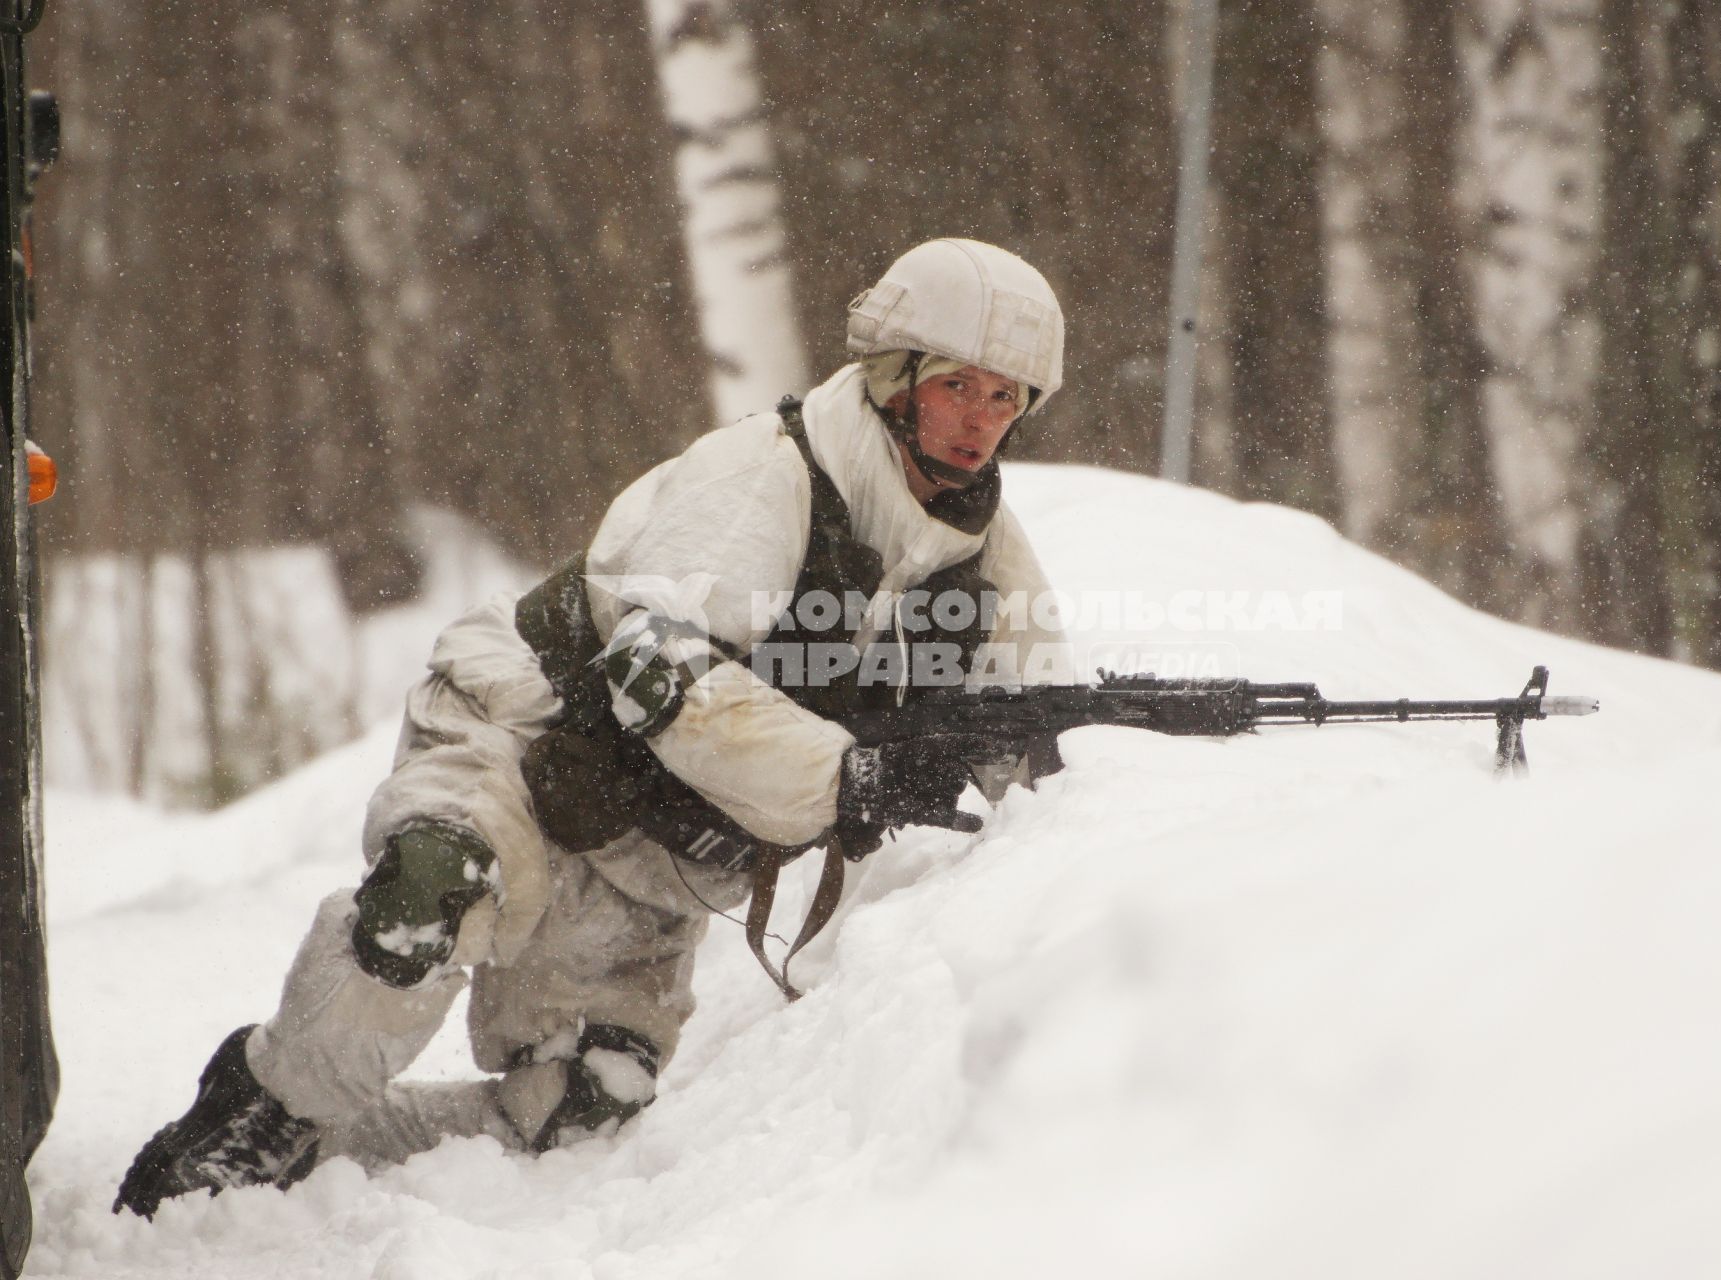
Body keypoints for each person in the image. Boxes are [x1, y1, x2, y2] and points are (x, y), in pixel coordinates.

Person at [114, 238, 1072, 1218]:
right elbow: (662, 676)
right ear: (894, 378)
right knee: (424, 900)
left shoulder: (983, 560)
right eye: (960, 385)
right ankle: (267, 1105)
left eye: (1006, 398)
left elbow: (1051, 738)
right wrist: (851, 779)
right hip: (523, 738)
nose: (979, 421)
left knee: (576, 1109)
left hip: (662, 857)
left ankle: (329, 1159)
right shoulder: (761, 475)